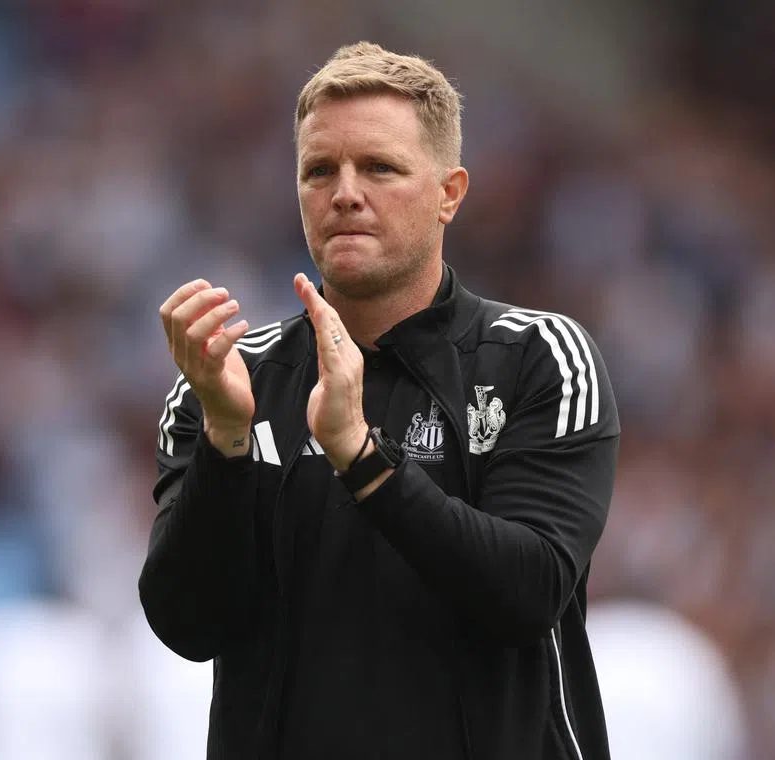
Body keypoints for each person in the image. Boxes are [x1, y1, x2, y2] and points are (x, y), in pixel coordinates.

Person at [139, 41, 620, 760]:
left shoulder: (537, 357)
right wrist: (226, 441)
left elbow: (527, 593)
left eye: (380, 168)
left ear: (449, 193)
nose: (345, 193)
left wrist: (363, 460)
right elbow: (188, 624)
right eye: (319, 170)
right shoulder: (228, 383)